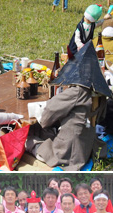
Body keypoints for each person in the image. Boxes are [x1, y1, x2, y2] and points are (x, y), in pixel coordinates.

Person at [26, 42, 108, 171]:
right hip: (87, 144)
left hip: (69, 152)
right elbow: (102, 116)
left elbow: (50, 111)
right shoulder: (101, 92)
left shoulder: (77, 92)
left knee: (30, 140)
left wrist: (43, 123)